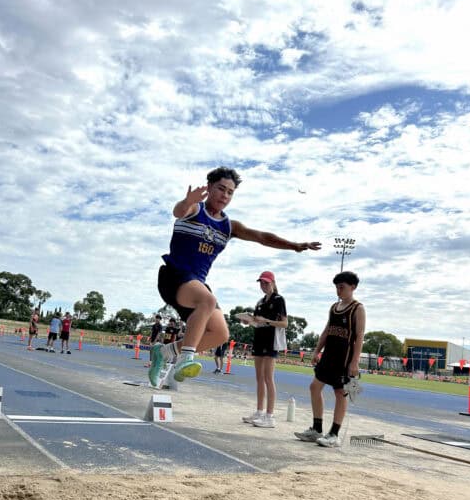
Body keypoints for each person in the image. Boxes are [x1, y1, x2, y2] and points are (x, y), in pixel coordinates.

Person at [148, 166, 321, 387]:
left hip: (197, 284)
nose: (225, 195)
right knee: (207, 300)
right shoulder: (194, 209)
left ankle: (164, 352)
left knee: (220, 333)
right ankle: (185, 358)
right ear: (209, 187)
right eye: (221, 189)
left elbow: (262, 237)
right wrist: (186, 200)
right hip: (174, 276)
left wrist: (294, 246)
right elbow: (179, 211)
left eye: (230, 192)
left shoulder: (229, 226)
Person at [295, 271, 366, 448]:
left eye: (341, 287)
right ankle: (317, 429)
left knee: (340, 393)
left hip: (344, 358)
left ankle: (334, 434)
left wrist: (355, 361)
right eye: (336, 287)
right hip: (329, 355)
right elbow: (327, 331)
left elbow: (359, 336)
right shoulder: (334, 307)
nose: (338, 290)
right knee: (314, 387)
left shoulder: (358, 308)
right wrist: (316, 350)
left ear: (353, 287)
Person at [238, 271, 288, 428]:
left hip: (271, 341)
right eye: (261, 283)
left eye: (266, 283)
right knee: (259, 377)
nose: (263, 285)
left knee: (268, 378)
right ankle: (259, 412)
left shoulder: (279, 300)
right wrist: (249, 321)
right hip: (259, 339)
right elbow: (256, 321)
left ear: (273, 283)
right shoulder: (259, 302)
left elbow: (285, 323)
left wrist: (266, 320)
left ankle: (270, 416)